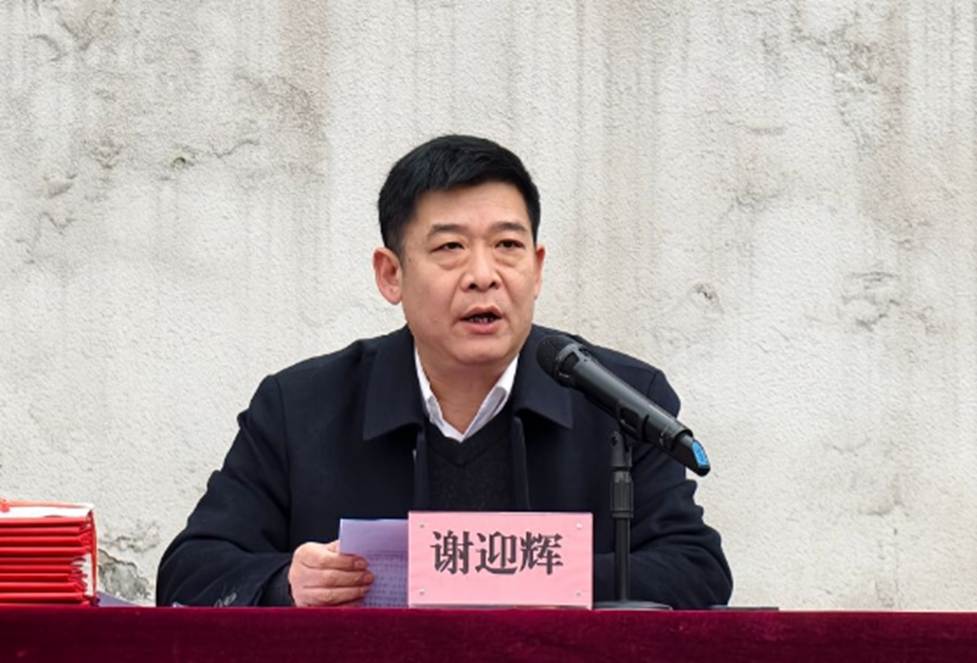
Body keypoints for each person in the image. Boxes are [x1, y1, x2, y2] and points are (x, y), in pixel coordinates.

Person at [156, 135, 732, 609]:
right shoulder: (300, 406)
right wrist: (286, 583)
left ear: (536, 269)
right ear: (391, 275)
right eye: (451, 247)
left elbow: (696, 568)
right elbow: (191, 570)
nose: (483, 274)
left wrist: (531, 577)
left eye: (507, 245)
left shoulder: (622, 399)